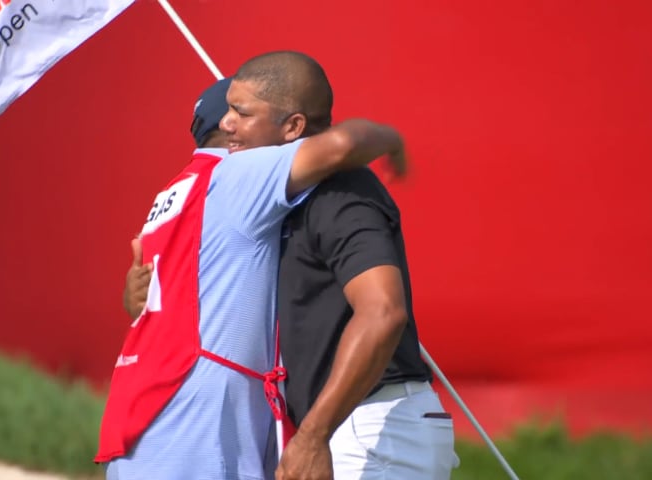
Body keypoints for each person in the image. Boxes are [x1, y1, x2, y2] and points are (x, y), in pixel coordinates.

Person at [124, 51, 458, 480]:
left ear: (294, 128)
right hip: (345, 427)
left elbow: (383, 313)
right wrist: (140, 292)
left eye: (241, 113)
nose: (227, 125)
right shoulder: (272, 201)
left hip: (374, 427)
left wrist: (313, 437)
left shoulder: (340, 189)